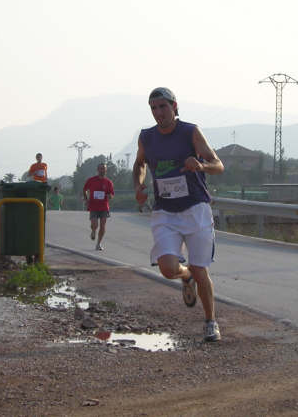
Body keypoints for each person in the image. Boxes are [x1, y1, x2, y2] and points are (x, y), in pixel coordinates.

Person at [132, 87, 225, 342]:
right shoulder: (147, 137)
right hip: (165, 211)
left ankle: (210, 322)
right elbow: (140, 164)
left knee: (200, 268)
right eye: (153, 108)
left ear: (174, 106)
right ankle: (186, 278)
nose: (158, 113)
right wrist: (139, 186)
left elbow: (218, 165)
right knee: (167, 268)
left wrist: (202, 165)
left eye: (163, 107)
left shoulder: (190, 132)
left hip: (195, 208)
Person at [83, 163, 114, 251]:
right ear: (97, 170)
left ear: (106, 170)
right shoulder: (91, 180)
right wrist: (86, 199)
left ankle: (98, 243)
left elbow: (111, 194)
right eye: (100, 169)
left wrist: (110, 196)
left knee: (103, 226)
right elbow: (84, 189)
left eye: (104, 169)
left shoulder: (108, 182)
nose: (102, 170)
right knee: (95, 224)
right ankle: (93, 231)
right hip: (93, 206)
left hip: (104, 207)